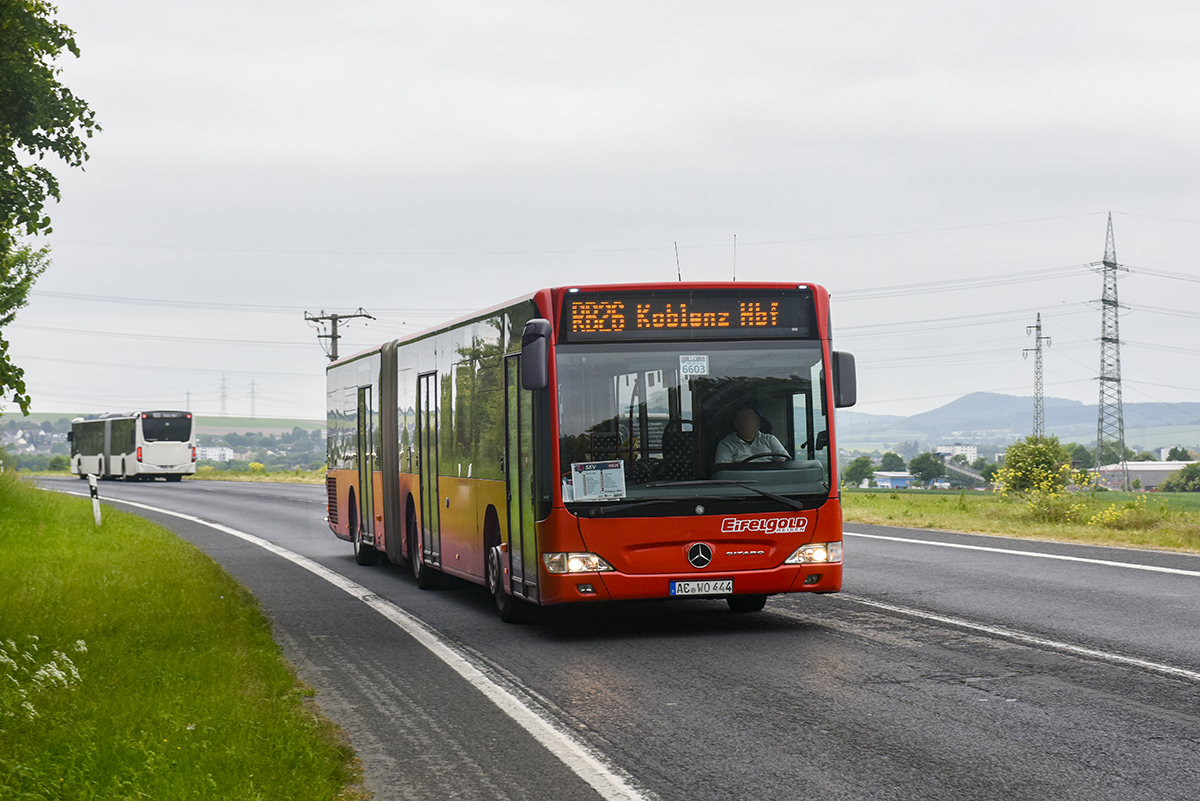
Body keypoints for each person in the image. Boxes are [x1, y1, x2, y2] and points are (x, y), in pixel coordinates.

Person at [714, 403, 790, 464]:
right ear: (736, 424)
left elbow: (784, 460)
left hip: (770, 480)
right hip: (742, 481)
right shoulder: (726, 444)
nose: (749, 423)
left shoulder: (769, 439)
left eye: (752, 420)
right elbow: (723, 470)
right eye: (744, 420)